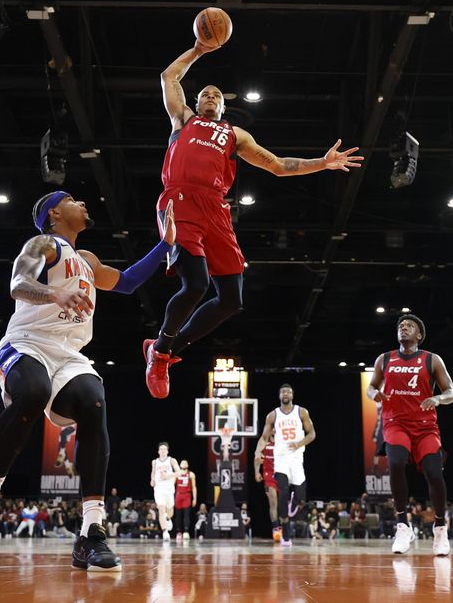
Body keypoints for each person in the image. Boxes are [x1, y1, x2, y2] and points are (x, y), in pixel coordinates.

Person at [0, 191, 176, 572]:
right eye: (75, 199)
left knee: (94, 401)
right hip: (26, 343)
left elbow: (125, 282)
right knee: (33, 392)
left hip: (68, 354)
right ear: (55, 213)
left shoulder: (87, 261)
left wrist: (164, 245)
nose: (85, 204)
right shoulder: (43, 244)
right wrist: (53, 292)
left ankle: (91, 532)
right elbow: (17, 283)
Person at [144, 35, 363, 398]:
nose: (211, 97)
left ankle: (162, 349)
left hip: (215, 208)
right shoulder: (183, 120)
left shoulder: (235, 134)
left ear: (224, 109)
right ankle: (162, 351)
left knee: (232, 299)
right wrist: (199, 49)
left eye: (217, 95)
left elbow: (278, 165)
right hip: (180, 200)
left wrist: (322, 164)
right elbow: (169, 77)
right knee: (196, 283)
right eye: (205, 94)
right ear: (195, 103)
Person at [366, 314, 453, 556]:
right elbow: (371, 386)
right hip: (396, 423)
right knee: (395, 463)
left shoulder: (431, 359)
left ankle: (439, 527)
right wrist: (373, 394)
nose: (403, 327)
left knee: (434, 473)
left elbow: (451, 392)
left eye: (410, 326)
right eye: (401, 326)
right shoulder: (385, 359)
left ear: (419, 335)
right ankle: (403, 525)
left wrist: (437, 397)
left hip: (425, 426)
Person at [254, 384, 316, 546]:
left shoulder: (301, 412)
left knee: (301, 497)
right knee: (282, 494)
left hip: (296, 458)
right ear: (279, 395)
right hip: (280, 459)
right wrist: (257, 451)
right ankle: (285, 533)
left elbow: (312, 434)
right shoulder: (273, 415)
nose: (286, 394)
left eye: (288, 391)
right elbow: (264, 437)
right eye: (283, 392)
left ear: (292, 395)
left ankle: (294, 503)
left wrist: (299, 443)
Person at [150, 443, 181, 541]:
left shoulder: (172, 460)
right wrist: (152, 480)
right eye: (161, 449)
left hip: (169, 488)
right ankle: (165, 532)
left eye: (164, 449)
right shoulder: (154, 462)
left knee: (169, 511)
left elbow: (179, 473)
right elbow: (153, 472)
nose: (163, 451)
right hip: (159, 488)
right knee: (161, 509)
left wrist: (168, 476)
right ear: (158, 451)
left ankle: (168, 518)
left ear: (167, 451)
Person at [253, 437, 279, 540]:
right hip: (269, 475)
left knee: (282, 503)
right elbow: (257, 457)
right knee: (273, 502)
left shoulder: (281, 440)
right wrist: (256, 472)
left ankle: (284, 527)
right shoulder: (264, 441)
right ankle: (276, 528)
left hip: (281, 473)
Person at [174, 458, 198, 540]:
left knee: (186, 515)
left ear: (187, 465)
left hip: (187, 495)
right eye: (182, 463)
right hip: (178, 495)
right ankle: (178, 532)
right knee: (178, 515)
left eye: (185, 463)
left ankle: (186, 532)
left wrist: (194, 498)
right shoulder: (176, 474)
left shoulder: (191, 474)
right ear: (180, 465)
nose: (184, 464)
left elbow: (194, 487)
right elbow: (171, 485)